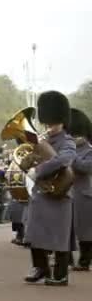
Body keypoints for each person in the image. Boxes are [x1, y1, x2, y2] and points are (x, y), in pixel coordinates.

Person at [22, 91, 76, 286]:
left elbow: (64, 159)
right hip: (40, 193)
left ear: (61, 121)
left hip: (58, 193)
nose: (49, 127)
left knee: (59, 237)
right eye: (47, 123)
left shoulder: (67, 141)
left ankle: (61, 274)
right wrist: (27, 160)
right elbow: (30, 161)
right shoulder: (42, 141)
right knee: (35, 233)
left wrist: (40, 169)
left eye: (53, 123)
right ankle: (40, 267)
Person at [68, 108, 92, 272]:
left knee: (85, 232)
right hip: (66, 193)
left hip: (84, 194)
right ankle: (65, 259)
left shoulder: (90, 150)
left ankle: (85, 261)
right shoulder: (67, 148)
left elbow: (85, 167)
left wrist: (71, 155)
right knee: (66, 229)